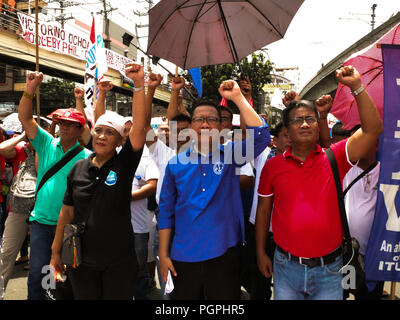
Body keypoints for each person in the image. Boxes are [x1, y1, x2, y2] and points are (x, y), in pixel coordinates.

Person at [255, 65, 383, 300]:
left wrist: (356, 86)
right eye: (297, 120)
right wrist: (261, 252)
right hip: (285, 268)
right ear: (288, 131)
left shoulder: (336, 157)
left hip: (330, 271)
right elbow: (263, 211)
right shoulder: (272, 166)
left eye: (310, 119)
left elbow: (373, 130)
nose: (304, 124)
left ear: (317, 125)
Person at [158, 79, 270, 300]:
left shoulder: (231, 155)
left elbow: (262, 137)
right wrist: (163, 254)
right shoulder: (175, 164)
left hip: (224, 255)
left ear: (221, 127)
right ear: (191, 126)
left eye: (211, 120)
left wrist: (237, 97)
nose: (205, 125)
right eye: (199, 120)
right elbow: (166, 211)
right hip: (183, 255)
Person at [50, 63, 147, 300]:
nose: (102, 136)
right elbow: (66, 213)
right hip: (82, 260)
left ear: (119, 140)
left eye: (110, 132)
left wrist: (139, 85)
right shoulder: (78, 168)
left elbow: (140, 128)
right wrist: (55, 252)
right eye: (99, 131)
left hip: (119, 261)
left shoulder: (124, 164)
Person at [18, 72, 92, 300]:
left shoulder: (88, 158)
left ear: (81, 131)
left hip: (71, 226)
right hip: (41, 222)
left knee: (67, 276)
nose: (65, 128)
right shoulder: (46, 143)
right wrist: (30, 89)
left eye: (72, 125)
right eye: (63, 124)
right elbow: (26, 118)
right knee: (39, 274)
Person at [243, 122, 290, 300]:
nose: (291, 140)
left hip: (287, 237)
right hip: (261, 234)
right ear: (275, 140)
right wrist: (244, 98)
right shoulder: (262, 157)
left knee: (287, 288)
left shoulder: (304, 162)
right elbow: (248, 134)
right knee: (259, 285)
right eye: (286, 135)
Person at [0, 131, 36, 290]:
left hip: (45, 211)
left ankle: (44, 293)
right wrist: (22, 137)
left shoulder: (52, 151)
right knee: (6, 255)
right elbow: (1, 149)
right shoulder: (21, 150)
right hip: (17, 208)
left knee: (45, 258)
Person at [131, 148, 159, 300]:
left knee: (139, 271)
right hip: (115, 228)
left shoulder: (146, 160)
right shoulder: (113, 156)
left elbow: (153, 186)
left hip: (138, 229)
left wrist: (125, 196)